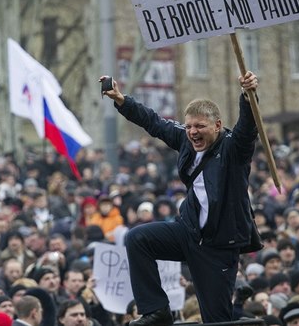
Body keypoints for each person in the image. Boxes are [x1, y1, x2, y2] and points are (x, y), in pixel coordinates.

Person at [100, 71, 260, 324]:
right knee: (137, 239)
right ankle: (156, 310)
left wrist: (248, 96)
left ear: (217, 126)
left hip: (218, 247)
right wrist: (121, 99)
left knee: (216, 319)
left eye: (200, 126)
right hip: (188, 232)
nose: (193, 132)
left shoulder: (233, 150)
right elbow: (153, 122)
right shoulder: (185, 140)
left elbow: (247, 129)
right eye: (189, 126)